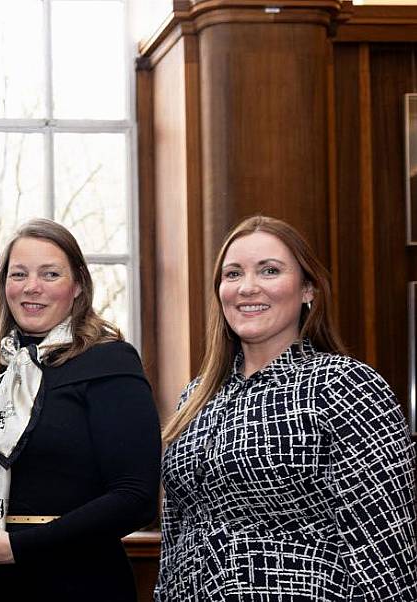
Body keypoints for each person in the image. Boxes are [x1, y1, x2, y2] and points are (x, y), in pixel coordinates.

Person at [154, 215, 417, 601]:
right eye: (232, 274)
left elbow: (385, 544)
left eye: (270, 270)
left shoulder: (344, 384)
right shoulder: (196, 396)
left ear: (308, 289)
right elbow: (177, 531)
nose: (247, 287)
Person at [0, 218, 161, 601]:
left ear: (77, 286)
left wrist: (16, 548)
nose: (31, 287)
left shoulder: (110, 362)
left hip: (76, 583)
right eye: (18, 274)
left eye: (50, 274)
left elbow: (135, 497)